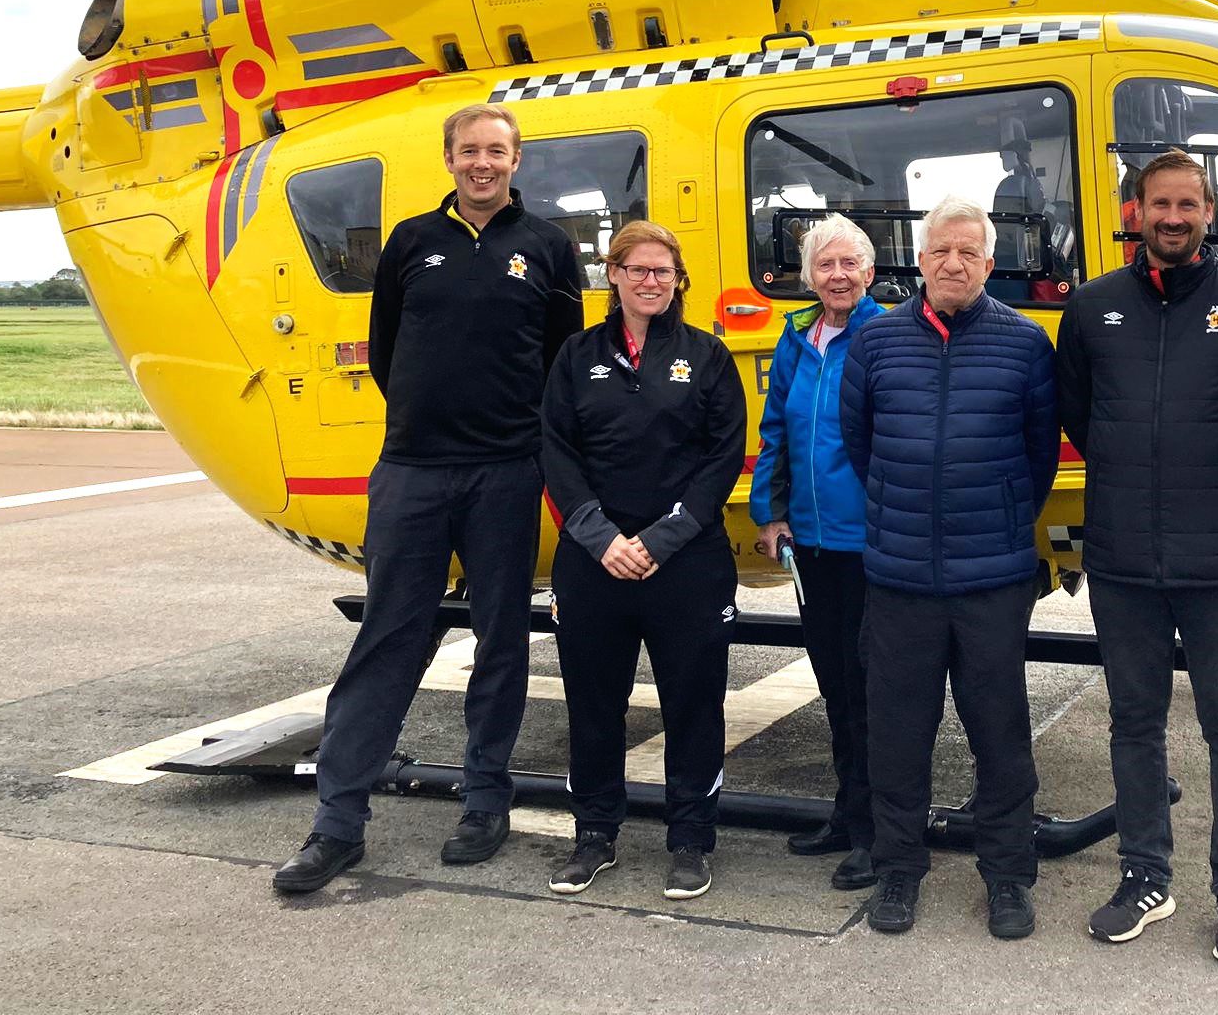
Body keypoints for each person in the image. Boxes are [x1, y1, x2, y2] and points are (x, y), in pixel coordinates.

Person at [273, 103, 584, 894]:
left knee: (501, 641)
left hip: (506, 472)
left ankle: (486, 802)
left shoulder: (547, 248)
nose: (483, 164)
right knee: (389, 638)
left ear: (517, 162)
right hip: (413, 468)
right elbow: (386, 352)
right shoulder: (411, 242)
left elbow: (561, 366)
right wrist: (427, 420)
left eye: (498, 152)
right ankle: (337, 824)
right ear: (448, 159)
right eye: (469, 151)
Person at [1055, 148, 1218, 964]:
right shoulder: (1092, 307)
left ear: (1207, 213)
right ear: (1135, 211)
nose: (1173, 218)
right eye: (1159, 204)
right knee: (1132, 724)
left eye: (1188, 205)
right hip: (1125, 558)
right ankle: (1145, 878)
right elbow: (1079, 418)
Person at [839, 196, 1059, 940]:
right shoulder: (877, 344)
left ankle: (1007, 876)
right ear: (920, 259)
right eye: (941, 250)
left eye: (969, 252)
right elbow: (860, 443)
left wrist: (995, 517)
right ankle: (898, 870)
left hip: (991, 578)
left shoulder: (1026, 344)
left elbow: (1038, 457)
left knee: (1001, 733)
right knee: (898, 733)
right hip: (899, 576)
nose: (954, 263)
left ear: (990, 264)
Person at [537, 221, 748, 902]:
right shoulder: (575, 357)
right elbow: (557, 452)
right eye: (638, 270)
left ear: (678, 280)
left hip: (685, 563)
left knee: (694, 705)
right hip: (594, 563)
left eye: (663, 271)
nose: (651, 281)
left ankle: (690, 839)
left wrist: (660, 541)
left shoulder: (708, 357)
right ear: (615, 276)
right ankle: (594, 835)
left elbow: (722, 459)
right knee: (594, 705)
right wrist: (600, 537)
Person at [748, 213, 886, 892]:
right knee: (836, 687)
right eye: (824, 265)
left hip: (871, 547)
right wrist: (769, 514)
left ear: (868, 271)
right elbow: (776, 431)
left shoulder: (889, 335)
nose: (837, 275)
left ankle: (876, 833)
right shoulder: (798, 337)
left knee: (871, 692)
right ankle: (846, 812)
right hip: (811, 548)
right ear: (810, 277)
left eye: (848, 264)